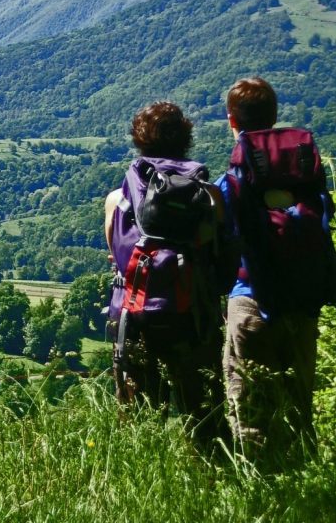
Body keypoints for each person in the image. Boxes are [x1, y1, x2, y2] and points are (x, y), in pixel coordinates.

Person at [216, 77, 336, 463]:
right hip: (303, 305)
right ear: (274, 115)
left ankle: (256, 495)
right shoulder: (304, 171)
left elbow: (218, 238)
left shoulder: (234, 179)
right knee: (299, 408)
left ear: (232, 119)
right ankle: (309, 489)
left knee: (248, 410)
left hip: (251, 301)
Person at [105, 102, 234, 447]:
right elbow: (219, 257)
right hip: (192, 317)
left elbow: (117, 260)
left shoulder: (118, 199)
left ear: (139, 140)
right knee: (204, 416)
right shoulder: (208, 197)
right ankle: (213, 483)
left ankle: (139, 483)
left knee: (139, 420)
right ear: (186, 139)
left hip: (134, 316)